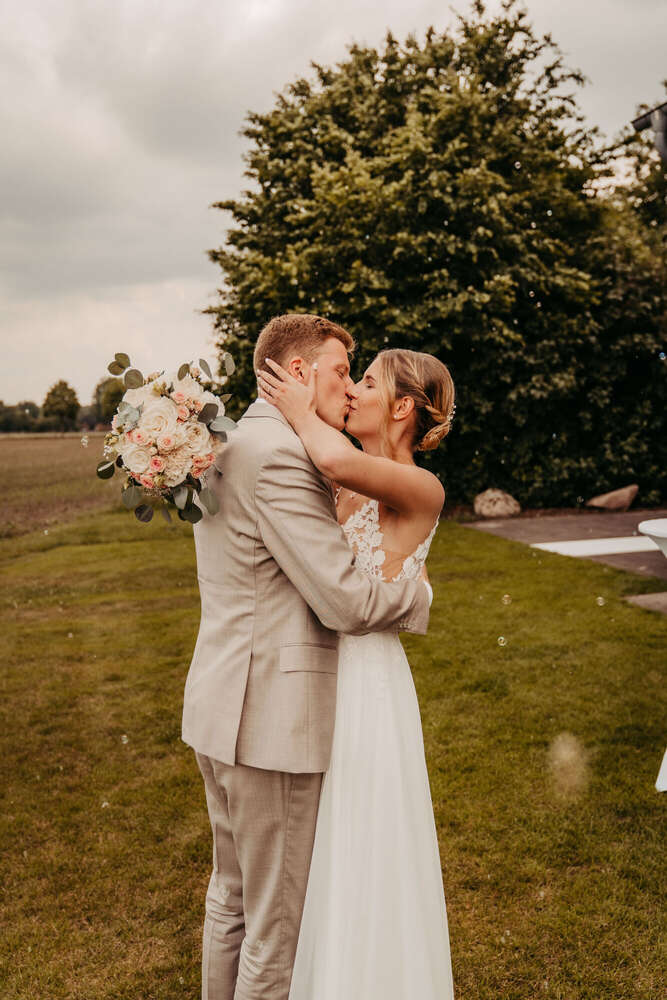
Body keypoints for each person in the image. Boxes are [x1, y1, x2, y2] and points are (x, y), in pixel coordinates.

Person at [181, 313, 433, 1000]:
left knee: (230, 899)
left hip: (219, 701)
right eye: (338, 370)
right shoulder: (283, 457)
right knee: (274, 925)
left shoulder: (228, 442)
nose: (347, 386)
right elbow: (346, 603)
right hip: (271, 720)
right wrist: (415, 599)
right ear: (296, 373)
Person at [256, 344, 456, 1000]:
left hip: (368, 681)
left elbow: (335, 455)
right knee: (320, 844)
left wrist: (293, 400)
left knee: (366, 835)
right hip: (319, 665)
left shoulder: (419, 486)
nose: (350, 392)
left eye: (363, 382)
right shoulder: (338, 479)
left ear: (400, 407)